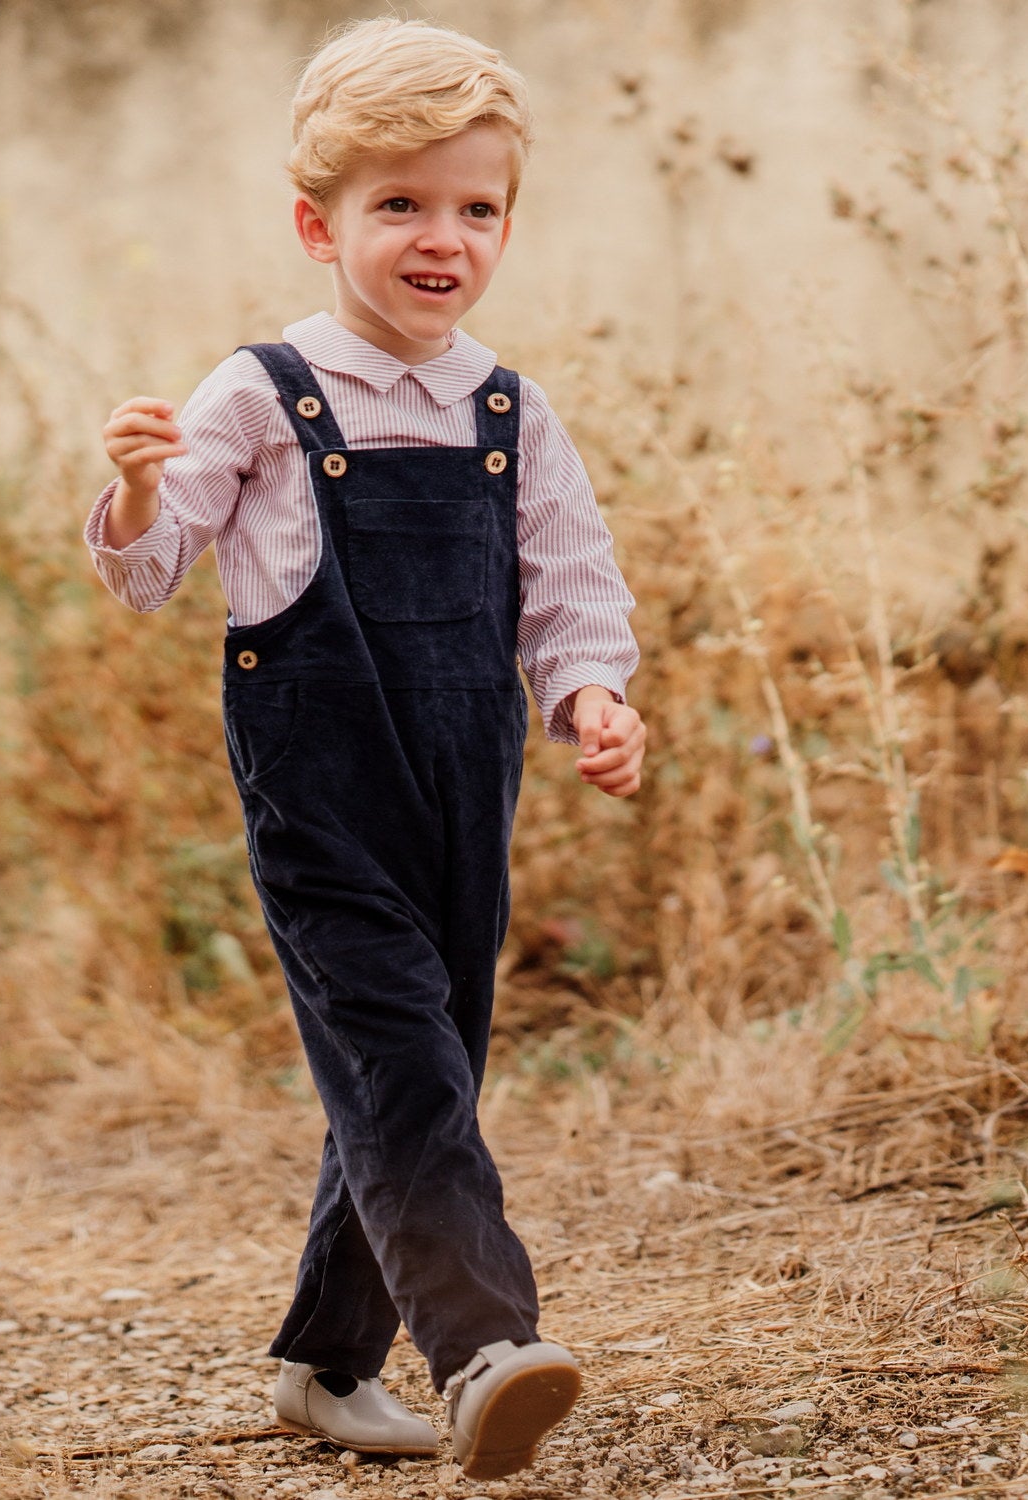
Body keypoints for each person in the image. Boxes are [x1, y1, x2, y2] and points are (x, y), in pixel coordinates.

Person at [83, 15, 645, 1481]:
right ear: (316, 221)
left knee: (422, 1065)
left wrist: (593, 697)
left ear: (508, 223)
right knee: (399, 1057)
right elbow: (150, 575)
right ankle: (483, 1348)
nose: (438, 237)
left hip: (468, 790)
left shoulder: (513, 411)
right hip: (321, 796)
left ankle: (326, 1367)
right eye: (399, 204)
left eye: (474, 207)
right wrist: (142, 494)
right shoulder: (263, 394)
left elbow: (572, 586)